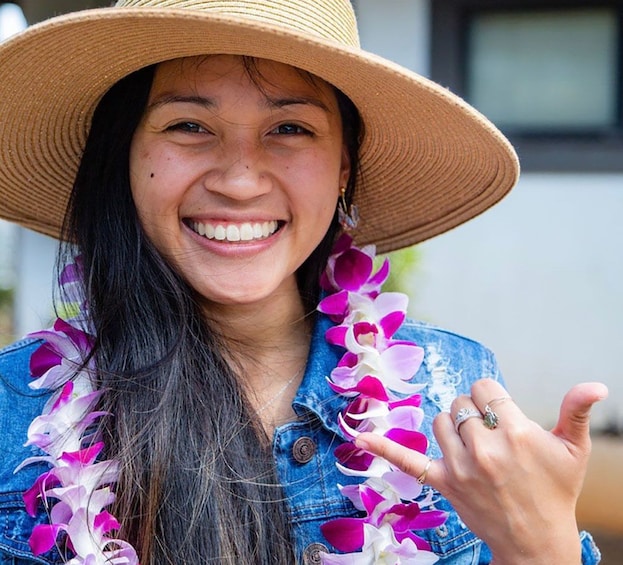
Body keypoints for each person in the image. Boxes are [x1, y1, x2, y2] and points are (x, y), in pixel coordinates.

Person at [0, 1, 608, 564]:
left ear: (343, 166)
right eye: (188, 125)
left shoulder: (449, 392)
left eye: (290, 129)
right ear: (125, 156)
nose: (240, 182)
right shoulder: (13, 413)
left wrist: (542, 544)